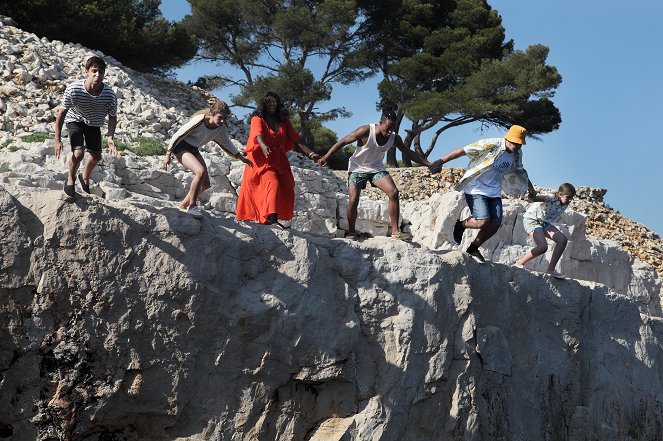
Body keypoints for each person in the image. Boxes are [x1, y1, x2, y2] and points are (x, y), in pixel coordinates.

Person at [317, 110, 432, 240]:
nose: (390, 131)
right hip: (357, 168)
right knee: (353, 200)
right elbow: (343, 142)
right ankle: (351, 232)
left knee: (393, 192)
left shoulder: (394, 138)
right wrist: (326, 156)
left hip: (376, 168)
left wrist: (427, 163)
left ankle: (395, 231)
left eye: (393, 128)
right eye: (388, 127)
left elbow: (409, 153)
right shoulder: (366, 131)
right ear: (380, 123)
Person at [429, 125, 536, 262]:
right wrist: (441, 161)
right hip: (475, 187)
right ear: (508, 139)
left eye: (520, 144)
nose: (517, 146)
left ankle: (473, 248)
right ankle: (461, 225)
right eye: (515, 143)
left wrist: (530, 189)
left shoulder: (517, 154)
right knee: (482, 221)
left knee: (496, 223)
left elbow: (519, 172)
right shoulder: (491, 144)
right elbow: (463, 151)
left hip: (493, 190)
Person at [235, 92, 320, 227]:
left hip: (278, 159)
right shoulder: (257, 118)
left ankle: (271, 214)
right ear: (263, 104)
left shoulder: (283, 120)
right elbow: (257, 134)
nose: (271, 104)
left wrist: (311, 154)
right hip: (262, 159)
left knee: (287, 185)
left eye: (274, 102)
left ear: (278, 103)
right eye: (268, 102)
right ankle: (272, 219)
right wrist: (263, 146)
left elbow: (296, 139)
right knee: (272, 183)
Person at [163, 99, 253, 219]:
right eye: (220, 117)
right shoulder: (199, 120)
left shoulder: (220, 127)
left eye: (224, 118)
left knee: (205, 184)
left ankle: (183, 206)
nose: (222, 121)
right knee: (200, 171)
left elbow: (226, 143)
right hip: (181, 147)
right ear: (213, 113)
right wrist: (168, 154)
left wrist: (241, 158)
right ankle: (192, 206)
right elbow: (178, 135)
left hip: (194, 149)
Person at [54, 55, 119, 198]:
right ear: (86, 71)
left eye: (101, 72)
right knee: (78, 153)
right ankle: (70, 178)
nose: (97, 75)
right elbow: (61, 113)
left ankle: (84, 177)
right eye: (94, 71)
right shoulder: (74, 89)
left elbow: (113, 116)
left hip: (94, 123)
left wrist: (110, 137)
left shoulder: (109, 94)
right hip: (75, 120)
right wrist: (57, 139)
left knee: (96, 156)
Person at [514, 183, 576, 279]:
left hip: (544, 222)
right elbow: (534, 199)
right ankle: (519, 263)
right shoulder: (551, 198)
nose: (570, 200)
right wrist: (532, 194)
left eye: (572, 198)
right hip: (532, 220)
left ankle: (550, 270)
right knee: (543, 247)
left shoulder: (565, 204)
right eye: (568, 197)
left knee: (562, 240)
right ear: (560, 194)